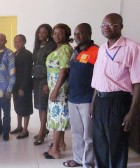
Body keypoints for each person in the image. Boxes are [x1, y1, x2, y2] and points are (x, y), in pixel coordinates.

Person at [91, 13, 140, 168]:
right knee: (100, 142)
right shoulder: (102, 49)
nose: (106, 27)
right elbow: (99, 80)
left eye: (112, 24)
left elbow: (138, 82)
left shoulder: (132, 48)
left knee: (117, 143)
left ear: (121, 26)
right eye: (104, 24)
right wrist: (93, 103)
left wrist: (132, 112)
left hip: (118, 101)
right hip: (99, 100)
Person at [63, 23, 98, 167]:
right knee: (76, 132)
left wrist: (95, 101)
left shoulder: (96, 51)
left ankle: (88, 162)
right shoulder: (75, 51)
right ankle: (78, 159)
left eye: (80, 33)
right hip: (73, 98)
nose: (77, 36)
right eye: (75, 33)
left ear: (89, 33)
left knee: (88, 135)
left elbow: (99, 77)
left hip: (87, 99)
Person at [43, 23, 73, 159]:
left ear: (66, 34)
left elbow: (64, 70)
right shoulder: (59, 48)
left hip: (60, 89)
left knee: (57, 118)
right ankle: (60, 143)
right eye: (55, 33)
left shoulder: (65, 49)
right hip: (54, 86)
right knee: (56, 116)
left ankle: (55, 150)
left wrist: (55, 90)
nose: (57, 35)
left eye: (60, 33)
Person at [32, 24, 57, 145]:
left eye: (44, 32)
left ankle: (42, 131)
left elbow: (50, 64)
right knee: (39, 105)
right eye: (39, 32)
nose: (41, 34)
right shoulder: (38, 45)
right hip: (36, 78)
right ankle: (43, 128)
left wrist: (47, 82)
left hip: (44, 78)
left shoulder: (51, 46)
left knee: (43, 106)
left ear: (48, 33)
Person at [0, 33, 15, 141]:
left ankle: (5, 132)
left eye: (1, 40)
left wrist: (9, 89)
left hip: (5, 90)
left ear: (5, 41)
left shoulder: (9, 54)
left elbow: (13, 73)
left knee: (6, 113)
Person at [10, 34, 33, 139]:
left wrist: (22, 87)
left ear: (24, 42)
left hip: (24, 86)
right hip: (16, 85)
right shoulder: (15, 54)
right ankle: (19, 126)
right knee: (18, 106)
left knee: (25, 107)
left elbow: (28, 72)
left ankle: (25, 129)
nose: (17, 43)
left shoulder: (27, 54)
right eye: (15, 41)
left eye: (19, 41)